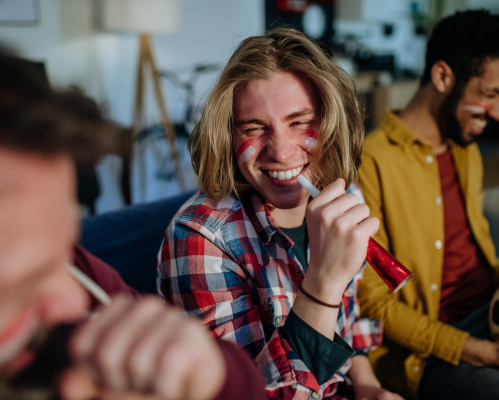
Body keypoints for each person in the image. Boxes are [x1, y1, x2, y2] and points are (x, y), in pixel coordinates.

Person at [0, 26, 266, 400]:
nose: (75, 302)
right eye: (22, 287)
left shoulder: (83, 281)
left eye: (67, 250)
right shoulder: (204, 233)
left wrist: (212, 375)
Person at [157, 28, 402, 400]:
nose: (282, 153)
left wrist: (370, 389)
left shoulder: (344, 195)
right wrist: (323, 281)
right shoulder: (198, 239)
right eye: (254, 129)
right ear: (228, 136)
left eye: (301, 122)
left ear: (331, 121)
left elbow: (347, 331)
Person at [356, 10, 499, 400]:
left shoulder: (465, 148)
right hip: (432, 350)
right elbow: (372, 303)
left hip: (495, 310)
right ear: (443, 76)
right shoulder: (370, 163)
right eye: (489, 94)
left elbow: (472, 248)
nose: (497, 113)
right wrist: (491, 354)